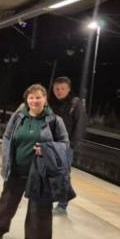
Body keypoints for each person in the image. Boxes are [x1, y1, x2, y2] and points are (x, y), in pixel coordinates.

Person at [0, 84, 70, 239]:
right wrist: (6, 160)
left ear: (45, 99)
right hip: (16, 168)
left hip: (40, 173)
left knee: (39, 210)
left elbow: (64, 144)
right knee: (7, 202)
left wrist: (46, 149)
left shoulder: (54, 121)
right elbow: (7, 137)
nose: (34, 101)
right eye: (31, 97)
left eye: (38, 97)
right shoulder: (19, 117)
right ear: (27, 100)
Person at [48, 76, 87, 215]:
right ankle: (54, 198)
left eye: (62, 89)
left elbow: (80, 125)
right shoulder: (50, 103)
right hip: (50, 143)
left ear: (68, 89)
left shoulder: (75, 103)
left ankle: (62, 205)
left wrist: (73, 145)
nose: (59, 91)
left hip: (65, 145)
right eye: (56, 89)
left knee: (63, 174)